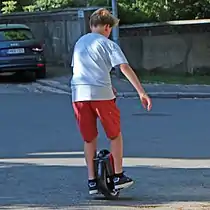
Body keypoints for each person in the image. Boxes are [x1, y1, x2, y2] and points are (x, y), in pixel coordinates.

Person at [70, 8, 152, 195]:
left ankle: (91, 181)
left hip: (79, 95)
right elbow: (123, 67)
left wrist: (107, 85)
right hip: (101, 95)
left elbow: (83, 70)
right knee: (114, 135)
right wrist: (142, 92)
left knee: (89, 138)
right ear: (107, 27)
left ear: (92, 25)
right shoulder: (108, 44)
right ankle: (118, 176)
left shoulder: (80, 43)